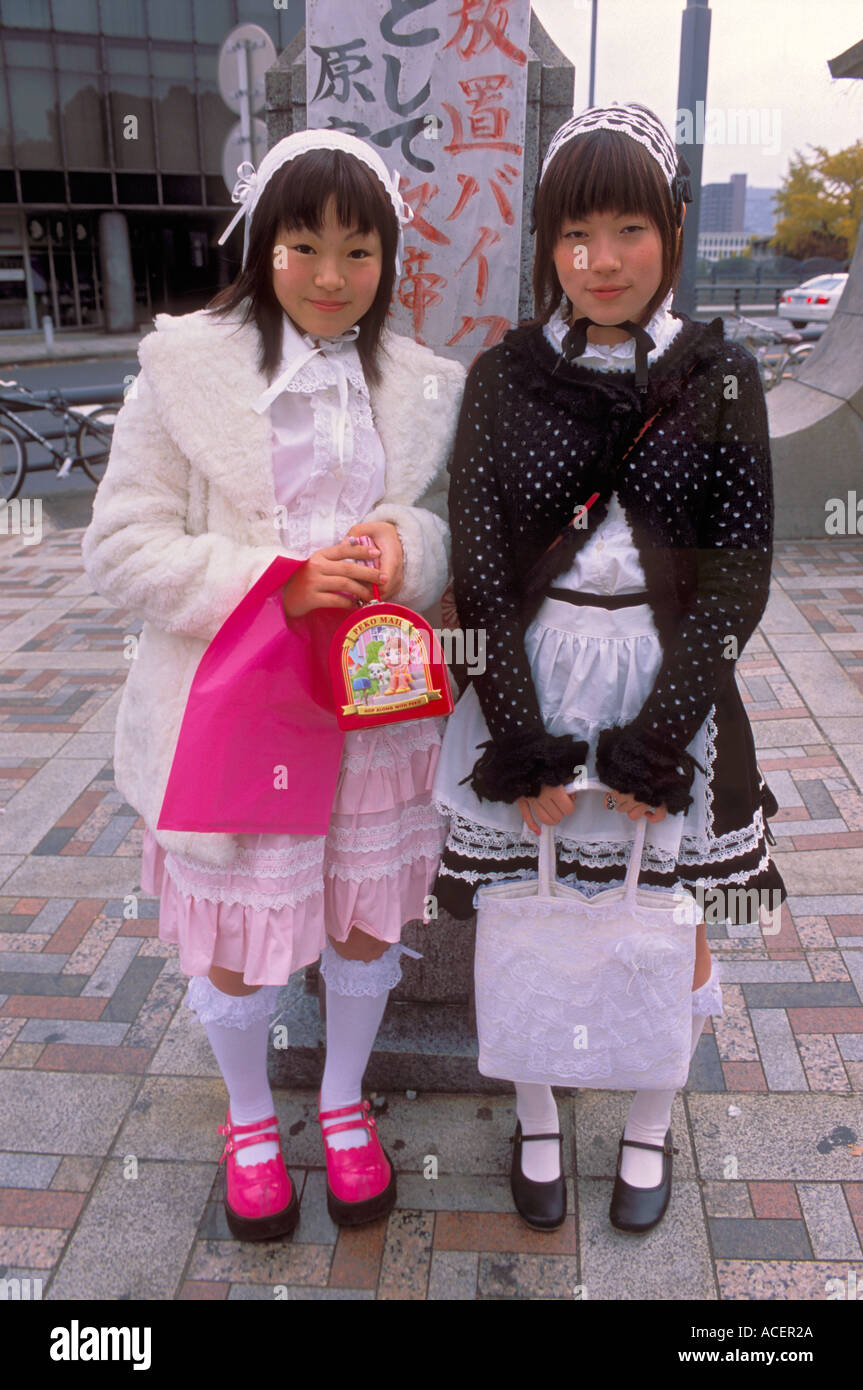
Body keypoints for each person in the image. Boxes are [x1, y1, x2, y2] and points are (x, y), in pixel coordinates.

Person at [82, 130, 465, 1240]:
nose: (332, 277)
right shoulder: (181, 374)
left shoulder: (417, 383)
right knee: (226, 931)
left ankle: (342, 1104)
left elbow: (433, 527)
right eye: (304, 245)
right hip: (236, 708)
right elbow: (119, 547)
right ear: (262, 244)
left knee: (358, 917)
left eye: (359, 250)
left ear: (389, 260)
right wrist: (277, 583)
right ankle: (250, 1117)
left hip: (367, 717)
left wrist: (405, 547)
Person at [432, 103, 785, 1235]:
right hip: (530, 678)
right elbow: (481, 574)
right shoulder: (501, 377)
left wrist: (656, 744)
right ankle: (537, 1113)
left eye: (626, 229)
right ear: (546, 243)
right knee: (517, 907)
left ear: (670, 229)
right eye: (572, 234)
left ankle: (642, 1123)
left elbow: (736, 576)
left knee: (669, 920)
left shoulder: (718, 374)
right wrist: (518, 745)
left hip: (667, 684)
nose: (597, 261)